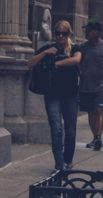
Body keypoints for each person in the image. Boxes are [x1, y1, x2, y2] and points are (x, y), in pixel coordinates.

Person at [28, 20, 81, 172]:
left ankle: (68, 160)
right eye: (57, 33)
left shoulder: (74, 48)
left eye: (63, 34)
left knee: (70, 130)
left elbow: (77, 59)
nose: (60, 36)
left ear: (69, 34)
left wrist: (59, 63)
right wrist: (45, 53)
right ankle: (59, 164)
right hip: (52, 95)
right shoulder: (48, 48)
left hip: (70, 95)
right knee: (56, 129)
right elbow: (30, 63)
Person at [79, 21, 103, 151]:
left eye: (88, 31)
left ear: (96, 33)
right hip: (86, 86)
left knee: (99, 111)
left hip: (102, 85)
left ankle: (99, 138)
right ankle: (95, 137)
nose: (86, 33)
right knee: (90, 112)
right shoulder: (83, 47)